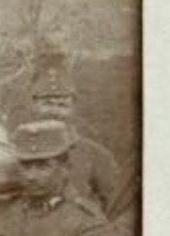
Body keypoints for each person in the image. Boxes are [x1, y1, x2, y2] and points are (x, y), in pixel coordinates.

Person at [26, 58, 120, 212]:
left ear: (73, 108)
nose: (55, 111)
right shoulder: (14, 150)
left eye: (62, 105)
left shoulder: (96, 155)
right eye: (47, 104)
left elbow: (116, 207)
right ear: (34, 105)